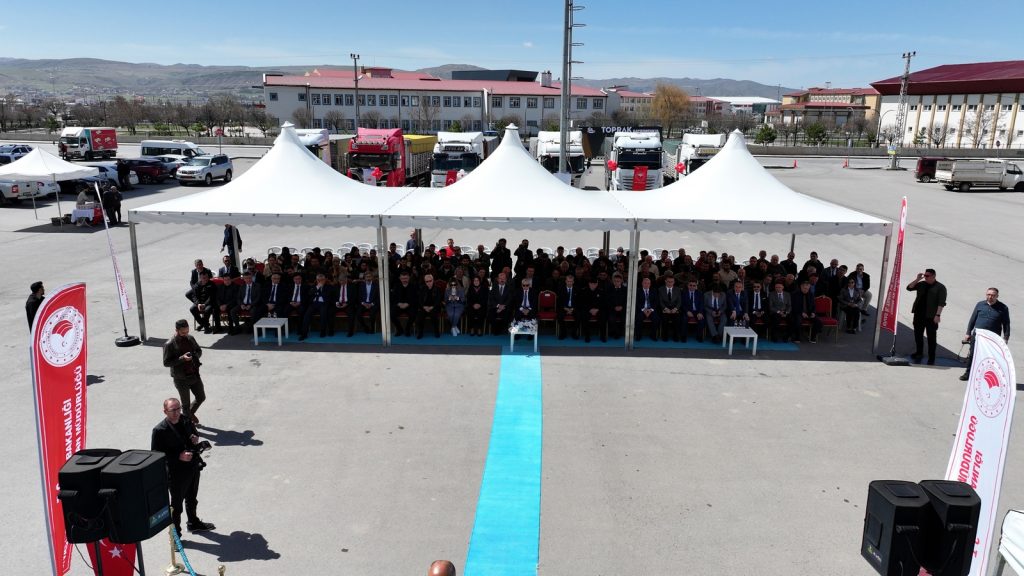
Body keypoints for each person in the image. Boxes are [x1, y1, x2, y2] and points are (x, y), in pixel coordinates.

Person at [151, 398, 215, 536]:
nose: (176, 413)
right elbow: (156, 455)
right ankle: (176, 535)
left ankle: (193, 523)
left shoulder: (185, 420)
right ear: (165, 411)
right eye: (172, 410)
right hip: (176, 473)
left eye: (178, 409)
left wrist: (195, 438)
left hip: (192, 466)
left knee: (192, 498)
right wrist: (178, 456)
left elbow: (194, 432)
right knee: (176, 506)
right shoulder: (160, 430)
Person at [960, 287, 1011, 380]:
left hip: (992, 338)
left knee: (988, 357)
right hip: (978, 336)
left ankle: (984, 377)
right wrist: (968, 333)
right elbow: (972, 319)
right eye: (988, 294)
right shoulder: (980, 304)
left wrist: (1006, 338)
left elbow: (1006, 324)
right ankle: (968, 374)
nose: (990, 297)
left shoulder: (1003, 308)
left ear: (997, 296)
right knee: (972, 355)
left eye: (993, 295)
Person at [162, 320, 206, 424]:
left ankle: (189, 414)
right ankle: (188, 426)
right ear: (176, 330)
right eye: (183, 332)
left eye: (187, 331)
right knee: (185, 405)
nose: (186, 334)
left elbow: (199, 351)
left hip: (194, 374)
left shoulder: (190, 338)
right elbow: (166, 363)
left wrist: (195, 356)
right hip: (181, 379)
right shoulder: (169, 344)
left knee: (201, 397)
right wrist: (182, 359)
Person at [907, 268, 947, 364]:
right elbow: (909, 288)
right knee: (918, 335)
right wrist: (917, 279)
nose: (925, 277)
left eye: (927, 276)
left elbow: (941, 303)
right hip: (918, 314)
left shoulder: (940, 287)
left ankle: (931, 357)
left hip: (931, 316)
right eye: (925, 275)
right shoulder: (922, 284)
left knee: (931, 338)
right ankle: (919, 352)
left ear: (933, 276)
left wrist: (938, 315)